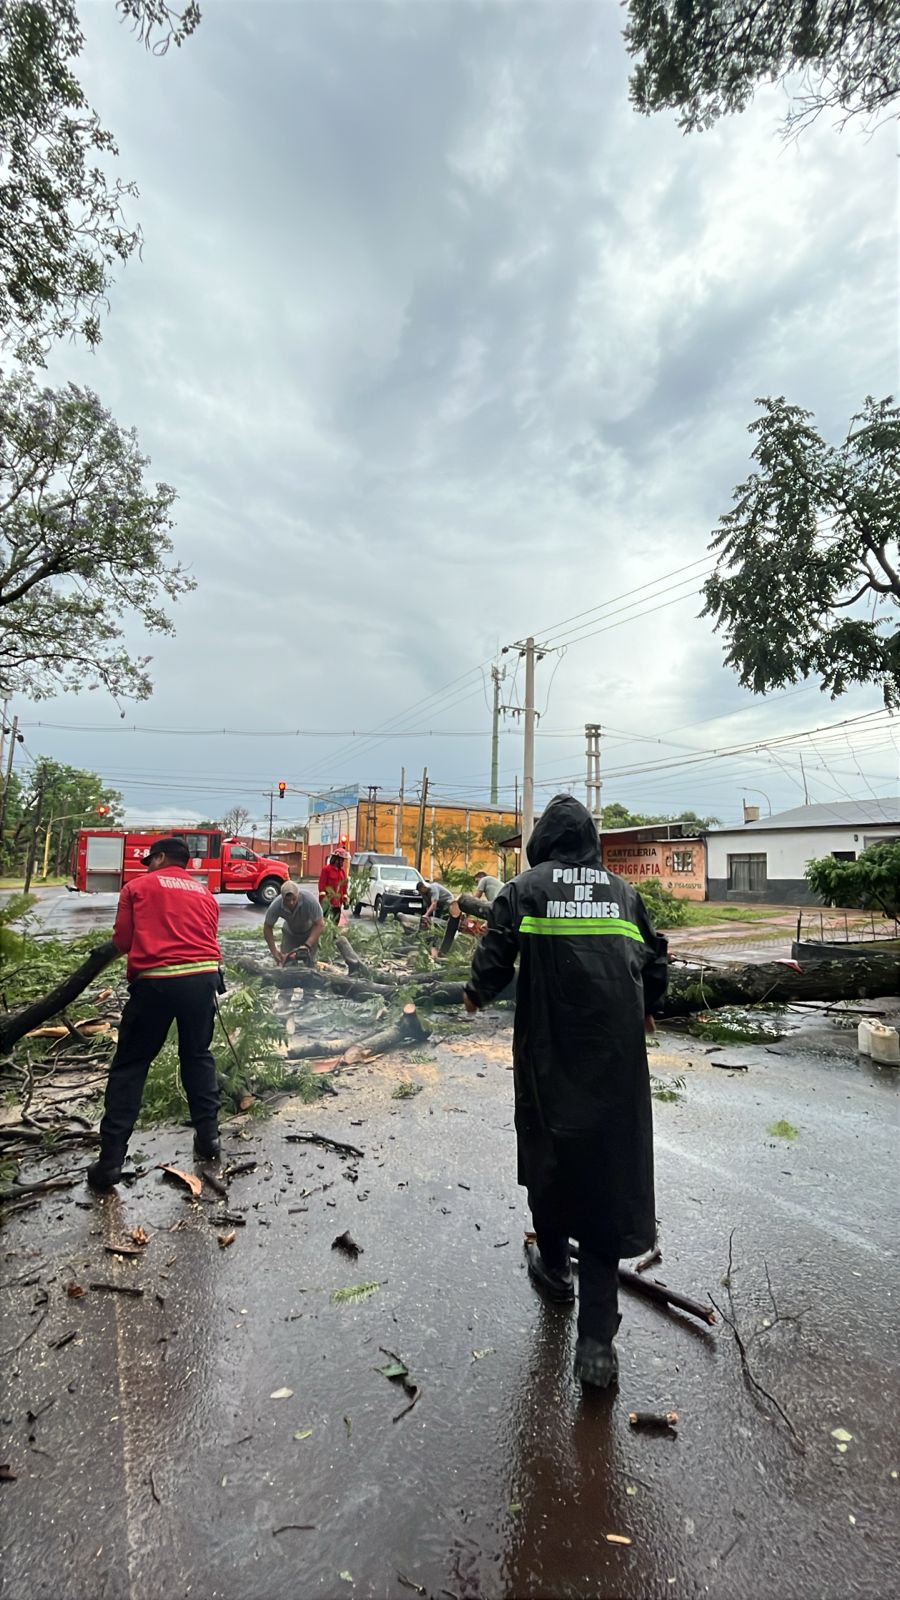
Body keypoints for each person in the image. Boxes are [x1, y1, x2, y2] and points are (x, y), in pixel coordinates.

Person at [462, 794, 668, 1389]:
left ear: (543, 840)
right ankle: (598, 1346)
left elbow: (496, 955)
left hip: (549, 1062)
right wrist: (650, 1008)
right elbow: (655, 960)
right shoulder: (625, 894)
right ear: (591, 840)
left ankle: (555, 1270)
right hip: (614, 1067)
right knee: (607, 1180)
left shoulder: (523, 890)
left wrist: (475, 992)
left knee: (548, 1161)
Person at [87, 836, 224, 1192]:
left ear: (160, 857)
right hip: (203, 979)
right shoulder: (204, 893)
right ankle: (209, 1141)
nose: (147, 865)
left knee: (131, 1066)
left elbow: (124, 939)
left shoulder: (138, 886)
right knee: (197, 1056)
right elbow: (208, 936)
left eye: (151, 859)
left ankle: (110, 1162)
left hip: (157, 982)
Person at [264, 880, 324, 965]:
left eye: (294, 899)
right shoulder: (276, 905)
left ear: (298, 895)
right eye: (287, 900)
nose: (291, 903)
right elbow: (267, 927)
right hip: (290, 933)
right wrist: (274, 951)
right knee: (286, 962)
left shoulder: (309, 900)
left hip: (309, 932)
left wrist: (307, 945)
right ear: (282, 898)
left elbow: (320, 924)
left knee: (310, 962)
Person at [318, 853, 349, 921]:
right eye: (341, 860)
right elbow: (322, 885)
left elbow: (344, 887)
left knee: (335, 924)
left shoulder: (342, 872)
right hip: (327, 902)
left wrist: (345, 900)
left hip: (337, 903)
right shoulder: (326, 869)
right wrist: (324, 900)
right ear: (336, 860)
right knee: (323, 922)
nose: (343, 862)